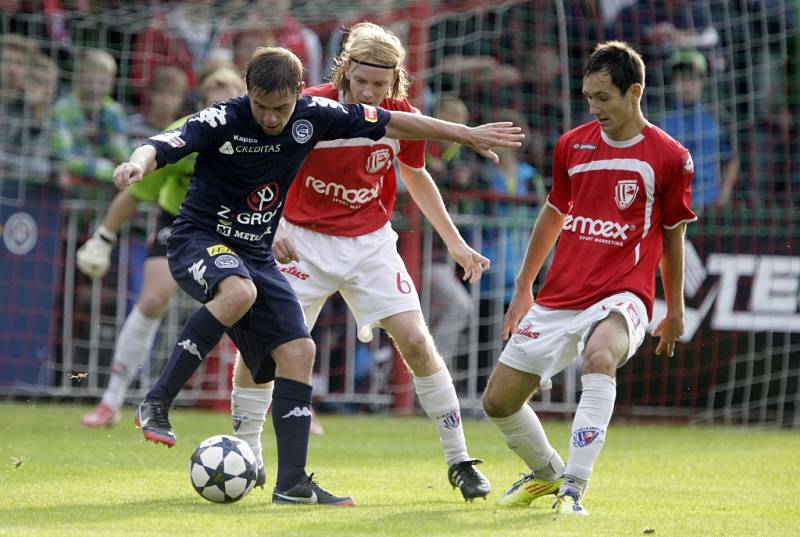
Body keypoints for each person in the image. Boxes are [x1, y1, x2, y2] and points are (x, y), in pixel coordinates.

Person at [112, 46, 522, 506]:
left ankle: (292, 483)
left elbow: (401, 128)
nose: (271, 119)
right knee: (239, 294)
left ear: (296, 97)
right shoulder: (222, 118)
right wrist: (137, 163)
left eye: (280, 109)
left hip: (281, 248)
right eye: (262, 107)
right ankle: (159, 402)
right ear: (248, 91)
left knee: (299, 349)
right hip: (206, 237)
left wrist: (466, 135)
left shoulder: (317, 114)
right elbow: (162, 144)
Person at [232, 22, 492, 502]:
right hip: (303, 242)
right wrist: (277, 226)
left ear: (394, 81)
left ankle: (459, 460)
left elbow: (416, 175)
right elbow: (259, 166)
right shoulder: (307, 105)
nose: (368, 92)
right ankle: (247, 455)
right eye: (360, 81)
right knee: (263, 347)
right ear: (344, 71)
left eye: (379, 84)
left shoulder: (401, 117)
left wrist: (454, 241)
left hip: (369, 242)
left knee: (416, 339)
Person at [482, 41, 696, 516]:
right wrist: (523, 287)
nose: (595, 108)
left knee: (599, 357)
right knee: (497, 402)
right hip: (560, 295)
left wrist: (674, 307)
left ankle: (574, 489)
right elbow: (554, 213)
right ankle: (548, 473)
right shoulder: (571, 145)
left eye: (604, 97)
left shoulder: (669, 157)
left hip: (624, 294)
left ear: (634, 92)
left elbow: (673, 236)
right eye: (589, 98)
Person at [78, 67, 247, 429]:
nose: (220, 116)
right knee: (153, 300)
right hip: (181, 221)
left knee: (261, 307)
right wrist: (103, 238)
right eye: (211, 106)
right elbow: (136, 194)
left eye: (228, 105)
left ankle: (294, 403)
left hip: (239, 226)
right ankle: (111, 400)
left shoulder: (256, 133)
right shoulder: (185, 135)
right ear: (200, 107)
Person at [658, 50, 738, 209]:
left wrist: (725, 192)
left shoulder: (717, 119)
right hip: (674, 206)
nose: (686, 86)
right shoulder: (662, 125)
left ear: (702, 82)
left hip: (710, 205)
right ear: (673, 84)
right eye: (681, 80)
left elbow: (732, 158)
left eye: (692, 79)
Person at [51, 47, 130, 200]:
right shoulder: (63, 109)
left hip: (106, 194)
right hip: (68, 192)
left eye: (104, 77)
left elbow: (123, 156)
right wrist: (107, 169)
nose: (96, 82)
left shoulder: (114, 112)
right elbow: (64, 158)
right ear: (78, 76)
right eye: (91, 74)